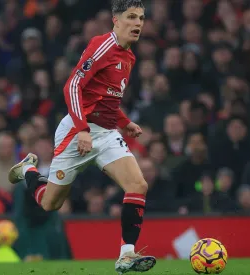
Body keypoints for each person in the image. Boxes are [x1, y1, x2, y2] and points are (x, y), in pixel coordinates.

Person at [8, 1, 155, 273]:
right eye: (131, 17)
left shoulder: (129, 57)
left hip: (107, 134)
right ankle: (28, 169)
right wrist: (83, 129)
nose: (137, 23)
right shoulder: (103, 45)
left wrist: (125, 122)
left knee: (138, 184)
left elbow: (106, 99)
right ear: (116, 20)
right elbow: (73, 85)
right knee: (50, 204)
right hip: (77, 131)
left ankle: (126, 255)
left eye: (141, 18)